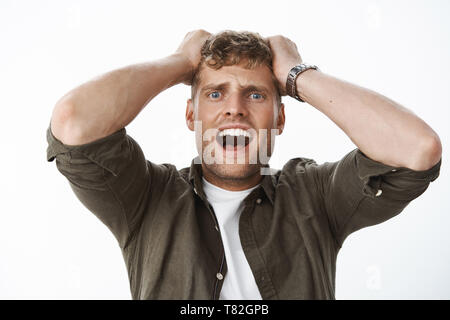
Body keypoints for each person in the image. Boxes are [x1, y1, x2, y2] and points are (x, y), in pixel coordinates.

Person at [46, 29, 442, 300]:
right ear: (190, 116)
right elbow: (73, 122)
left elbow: (417, 148)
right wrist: (179, 62)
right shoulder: (147, 196)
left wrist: (295, 74)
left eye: (255, 96)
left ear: (280, 119)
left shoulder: (314, 196)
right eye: (216, 93)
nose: (234, 108)